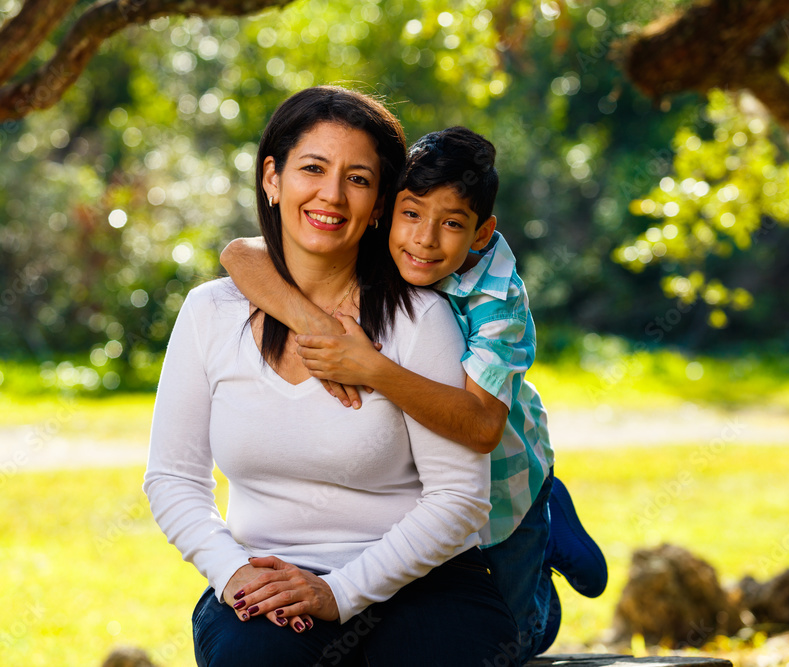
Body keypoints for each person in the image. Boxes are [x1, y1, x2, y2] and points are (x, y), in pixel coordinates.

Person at [145, 88, 518, 667]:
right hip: (270, 580)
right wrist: (234, 573)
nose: (331, 194)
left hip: (425, 579)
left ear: (379, 204)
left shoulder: (420, 319)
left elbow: (459, 499)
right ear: (273, 178)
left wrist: (338, 593)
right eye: (313, 168)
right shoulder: (209, 313)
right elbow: (172, 478)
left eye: (359, 179)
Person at [220, 127, 607, 663]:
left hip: (508, 480)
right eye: (412, 214)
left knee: (514, 641)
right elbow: (239, 253)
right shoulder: (381, 236)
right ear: (387, 209)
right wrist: (319, 329)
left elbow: (480, 427)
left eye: (451, 223)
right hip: (436, 487)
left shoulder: (500, 302)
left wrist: (370, 368)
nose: (424, 239)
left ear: (480, 232)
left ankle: (549, 533)